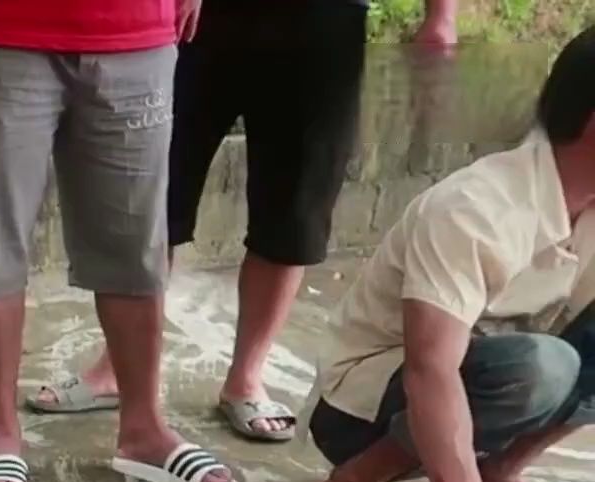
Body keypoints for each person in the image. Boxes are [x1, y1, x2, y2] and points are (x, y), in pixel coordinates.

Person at [38, 0, 461, 444]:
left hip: (323, 22)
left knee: (295, 210)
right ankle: (118, 369)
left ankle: (246, 378)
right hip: (197, 18)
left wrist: (441, 15)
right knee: (154, 196)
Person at [0, 0, 243, 482]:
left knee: (135, 244)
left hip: (138, 34)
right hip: (1, 30)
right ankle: (1, 435)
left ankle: (144, 430)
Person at [302, 25, 595, 482]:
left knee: (544, 362)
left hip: (488, 400)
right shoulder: (476, 207)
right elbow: (429, 368)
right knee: (540, 365)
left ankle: (499, 474)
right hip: (364, 415)